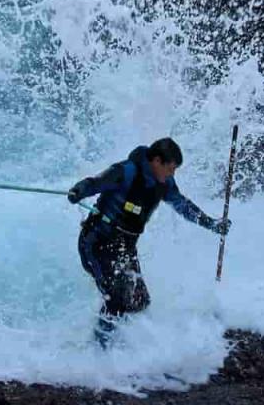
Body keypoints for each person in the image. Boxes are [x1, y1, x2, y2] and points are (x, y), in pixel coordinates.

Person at [68, 137, 231, 347]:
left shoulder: (165, 184)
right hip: (96, 243)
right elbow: (95, 183)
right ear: (156, 161)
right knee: (115, 298)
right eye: (170, 169)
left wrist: (212, 224)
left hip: (124, 248)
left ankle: (123, 346)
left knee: (139, 301)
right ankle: (98, 352)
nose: (172, 174)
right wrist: (78, 191)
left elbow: (182, 206)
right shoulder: (126, 172)